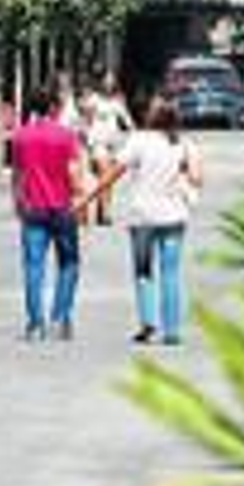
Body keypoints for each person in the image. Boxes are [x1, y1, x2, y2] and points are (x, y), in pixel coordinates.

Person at [90, 95, 203, 347]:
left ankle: (148, 322)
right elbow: (197, 179)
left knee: (144, 271)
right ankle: (172, 330)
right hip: (174, 216)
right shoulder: (183, 144)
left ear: (152, 117)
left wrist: (90, 198)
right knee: (171, 273)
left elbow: (114, 173)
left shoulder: (139, 141)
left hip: (142, 217)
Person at [9, 84, 85, 342]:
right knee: (69, 263)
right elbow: (73, 174)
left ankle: (35, 323)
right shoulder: (66, 136)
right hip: (62, 207)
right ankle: (60, 317)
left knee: (33, 266)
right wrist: (80, 195)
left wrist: (18, 203)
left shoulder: (20, 136)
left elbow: (18, 175)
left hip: (32, 208)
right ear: (53, 107)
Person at [83, 74, 132, 225]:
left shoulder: (117, 102)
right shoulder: (93, 100)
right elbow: (86, 122)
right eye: (106, 82)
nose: (109, 84)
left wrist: (133, 134)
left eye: (112, 82)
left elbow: (127, 121)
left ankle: (102, 208)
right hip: (98, 144)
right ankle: (105, 213)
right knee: (106, 174)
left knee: (107, 180)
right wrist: (88, 144)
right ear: (101, 84)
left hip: (113, 146)